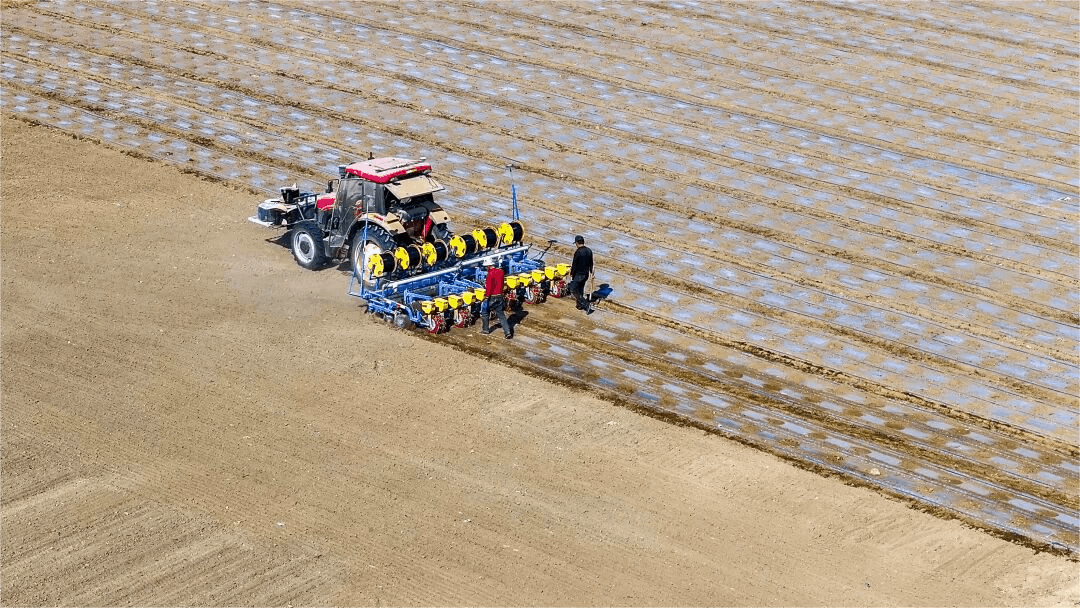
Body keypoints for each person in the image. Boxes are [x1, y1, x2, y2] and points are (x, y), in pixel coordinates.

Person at [481, 258, 512, 339]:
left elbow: (489, 287)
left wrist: (486, 296)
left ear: (488, 266)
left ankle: (486, 329)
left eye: (486, 267)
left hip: (492, 297)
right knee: (501, 315)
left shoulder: (490, 274)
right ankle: (508, 333)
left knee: (484, 312)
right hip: (500, 296)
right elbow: (501, 283)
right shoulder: (500, 272)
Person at [568, 234, 594, 314]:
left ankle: (586, 305)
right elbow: (591, 263)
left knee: (573, 289)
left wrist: (572, 273)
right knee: (580, 289)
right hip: (586, 274)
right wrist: (591, 272)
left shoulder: (578, 252)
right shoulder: (589, 251)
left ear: (577, 243)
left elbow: (574, 264)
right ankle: (579, 305)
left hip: (578, 274)